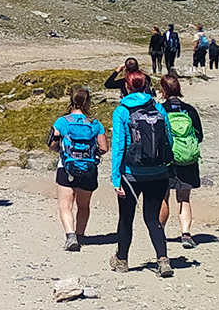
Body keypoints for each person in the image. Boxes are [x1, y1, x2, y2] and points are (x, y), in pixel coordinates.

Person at [110, 71, 174, 278]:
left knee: (126, 218)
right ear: (146, 85)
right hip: (158, 172)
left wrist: (115, 177)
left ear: (127, 87)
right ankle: (163, 259)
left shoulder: (121, 111)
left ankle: (122, 260)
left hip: (131, 174)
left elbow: (119, 146)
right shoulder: (158, 108)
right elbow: (169, 140)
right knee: (152, 218)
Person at [49, 87, 109, 252]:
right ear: (88, 102)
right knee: (83, 205)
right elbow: (104, 148)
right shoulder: (95, 124)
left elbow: (52, 144)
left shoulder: (62, 122)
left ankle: (70, 236)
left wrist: (60, 150)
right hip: (89, 168)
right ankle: (80, 235)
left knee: (65, 205)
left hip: (66, 167)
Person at [156, 73, 203, 250]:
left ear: (162, 90)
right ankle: (186, 233)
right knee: (184, 197)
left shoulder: (160, 110)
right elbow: (199, 136)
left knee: (164, 196)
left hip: (167, 160)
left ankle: (160, 231)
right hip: (188, 160)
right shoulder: (189, 110)